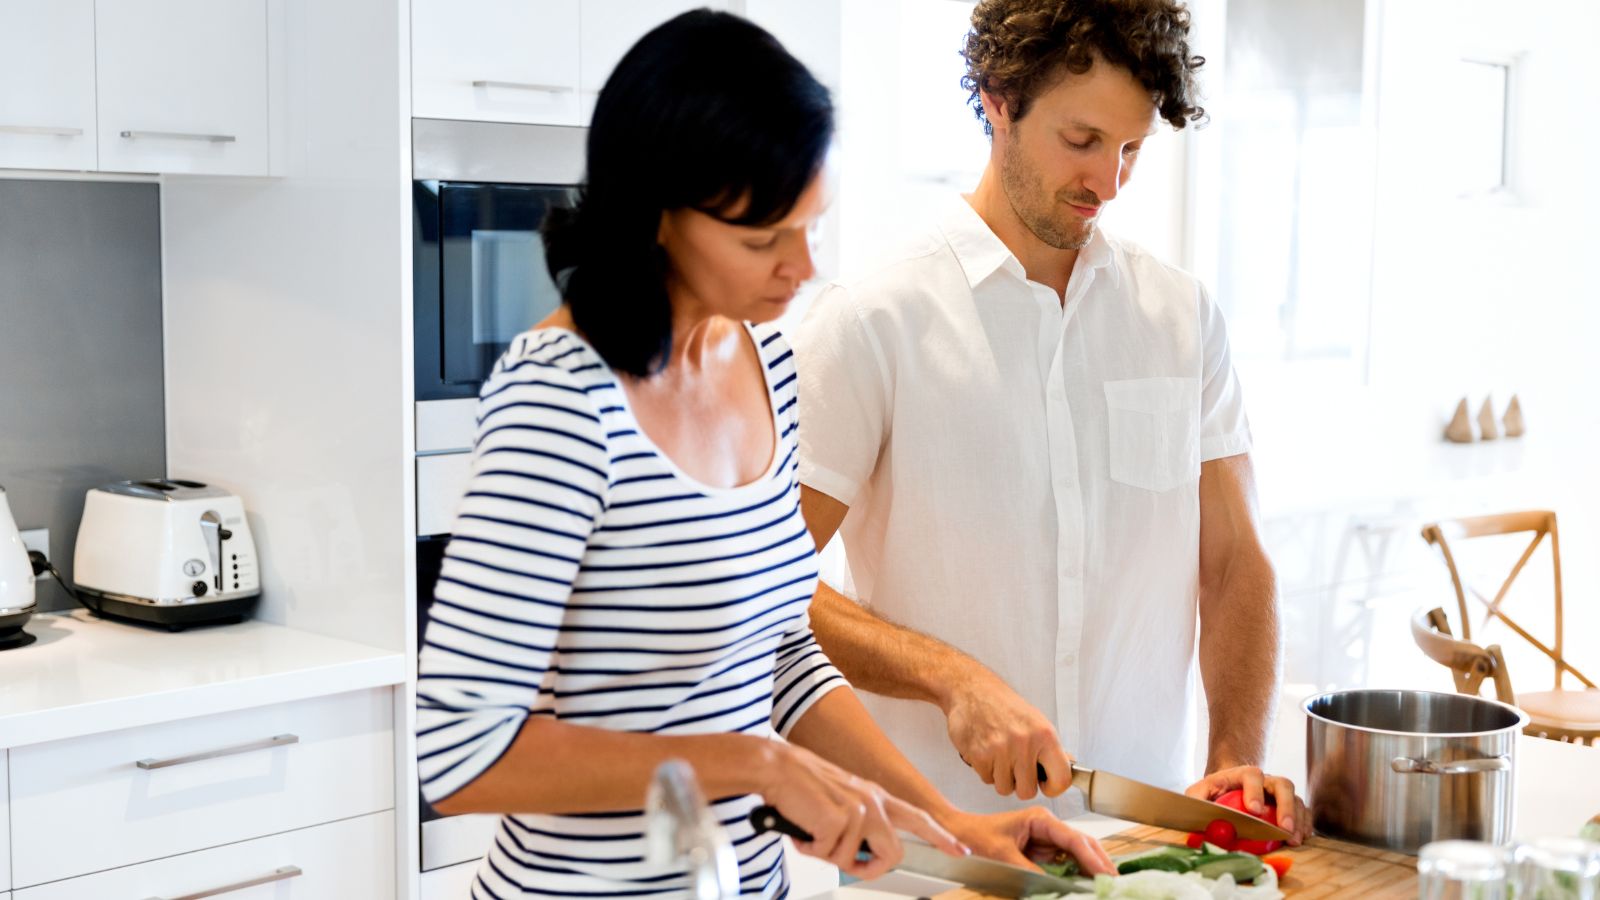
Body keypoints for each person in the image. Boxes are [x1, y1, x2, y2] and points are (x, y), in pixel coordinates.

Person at [415, 11, 1114, 898]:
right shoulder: (560, 398)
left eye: (808, 226)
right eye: (762, 240)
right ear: (658, 216)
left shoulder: (763, 361)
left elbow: (778, 649)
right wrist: (750, 765)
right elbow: (463, 752)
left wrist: (952, 829)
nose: (801, 267)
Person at [794, 0, 1312, 840]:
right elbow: (766, 585)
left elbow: (1235, 562)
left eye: (1132, 148)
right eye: (1082, 141)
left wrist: (1230, 760)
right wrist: (948, 678)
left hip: (1142, 856)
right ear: (999, 100)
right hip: (947, 858)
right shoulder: (870, 321)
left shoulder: (1181, 318)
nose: (1109, 181)